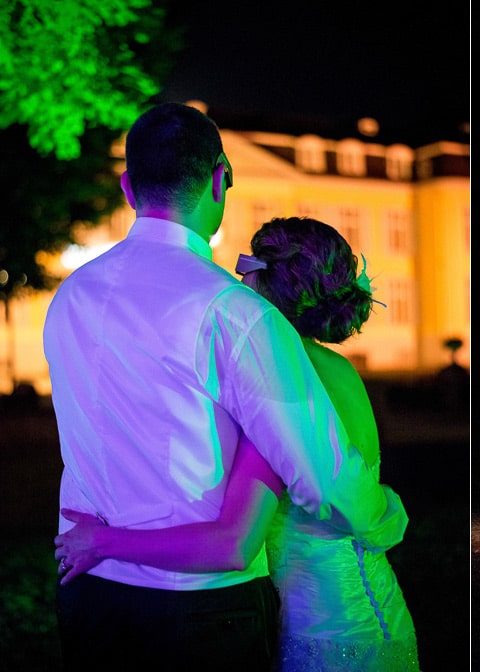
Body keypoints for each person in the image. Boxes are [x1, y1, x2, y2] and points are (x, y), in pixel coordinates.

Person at [44, 104, 407, 671]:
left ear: (127, 187)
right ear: (220, 179)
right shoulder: (234, 313)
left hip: (90, 592)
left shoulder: (69, 297)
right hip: (199, 609)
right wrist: (388, 517)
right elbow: (322, 478)